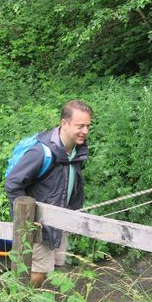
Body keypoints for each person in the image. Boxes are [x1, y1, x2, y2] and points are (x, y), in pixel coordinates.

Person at [5, 100, 92, 288]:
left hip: (62, 220)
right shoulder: (41, 152)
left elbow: (72, 183)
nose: (85, 131)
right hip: (39, 225)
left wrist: (75, 211)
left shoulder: (77, 150)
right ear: (64, 123)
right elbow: (13, 183)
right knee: (37, 271)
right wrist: (26, 219)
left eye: (87, 126)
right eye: (80, 126)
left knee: (56, 267)